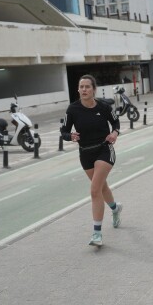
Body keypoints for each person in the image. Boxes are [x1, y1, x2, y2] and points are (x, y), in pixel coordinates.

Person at [60, 74, 122, 247]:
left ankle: (97, 233)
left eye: (87, 87)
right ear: (78, 89)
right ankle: (115, 208)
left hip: (104, 149)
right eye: (81, 87)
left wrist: (114, 133)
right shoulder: (72, 109)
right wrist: (70, 136)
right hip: (85, 153)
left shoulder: (103, 106)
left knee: (95, 190)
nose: (84, 90)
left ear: (93, 89)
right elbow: (64, 131)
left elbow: (116, 124)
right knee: (102, 187)